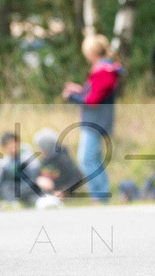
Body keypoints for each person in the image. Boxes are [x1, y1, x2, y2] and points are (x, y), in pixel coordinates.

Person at [63, 34, 122, 203]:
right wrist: (79, 90)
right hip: (97, 119)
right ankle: (101, 195)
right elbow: (94, 93)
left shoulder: (103, 70)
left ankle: (100, 196)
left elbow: (93, 100)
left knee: (86, 159)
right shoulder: (105, 68)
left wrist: (72, 97)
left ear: (91, 53)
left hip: (96, 121)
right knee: (94, 159)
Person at [33, 127, 84, 198]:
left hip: (60, 195)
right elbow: (39, 175)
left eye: (40, 147)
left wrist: (64, 191)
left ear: (47, 147)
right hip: (48, 193)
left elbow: (78, 177)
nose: (39, 150)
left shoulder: (63, 159)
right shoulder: (45, 160)